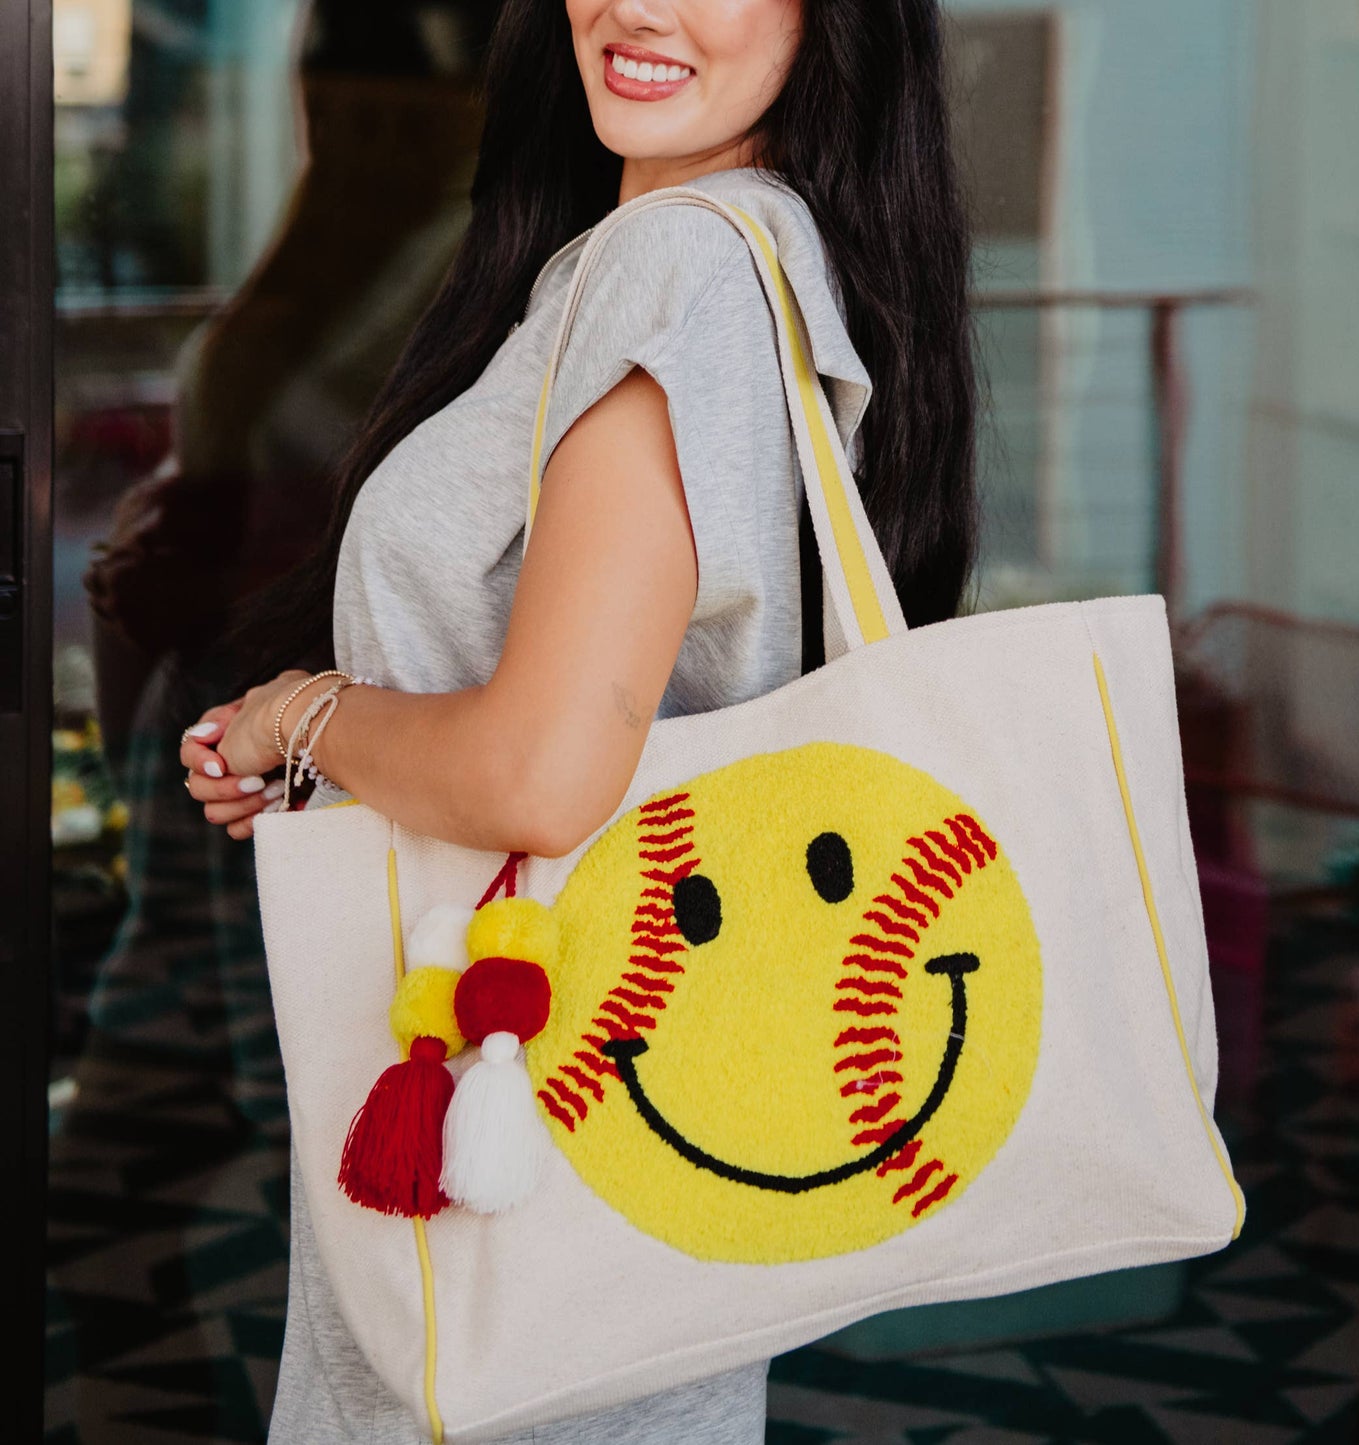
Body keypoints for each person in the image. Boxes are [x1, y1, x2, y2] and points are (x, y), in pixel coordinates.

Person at [179, 0, 978, 1439]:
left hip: (528, 1107)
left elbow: (542, 778)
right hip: (567, 1084)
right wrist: (329, 753)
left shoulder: (683, 268)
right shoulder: (686, 257)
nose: (638, 6)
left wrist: (306, 711)